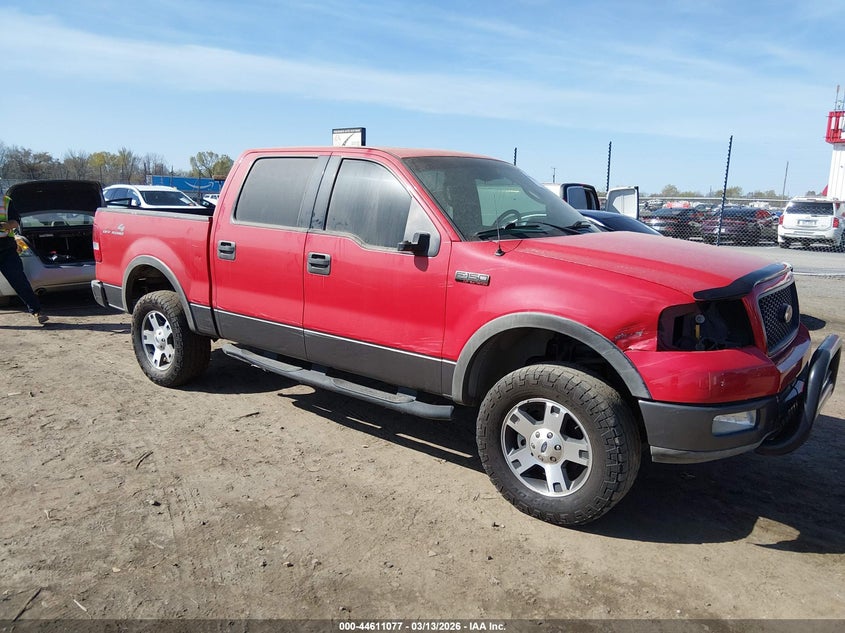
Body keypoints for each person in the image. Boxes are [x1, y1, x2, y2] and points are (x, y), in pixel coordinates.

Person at [0, 195, 48, 324]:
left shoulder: (5, 201)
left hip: (6, 249)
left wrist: (7, 225)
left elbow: (15, 222)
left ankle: (37, 311)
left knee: (19, 281)